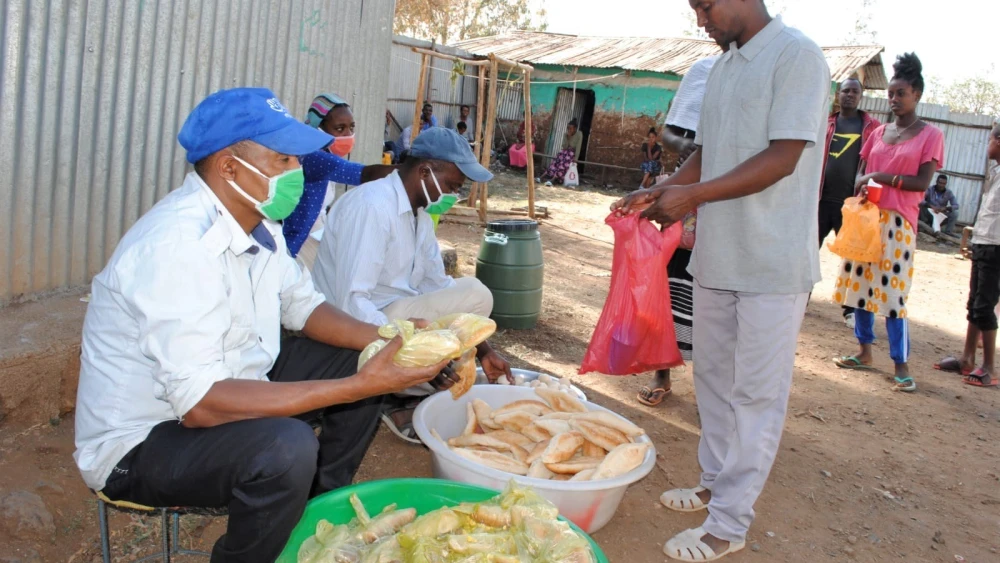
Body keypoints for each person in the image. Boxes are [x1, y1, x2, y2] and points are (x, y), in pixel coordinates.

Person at [72, 88, 455, 563]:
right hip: (143, 440)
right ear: (229, 167)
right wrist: (355, 386)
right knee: (284, 448)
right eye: (281, 160)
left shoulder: (258, 222)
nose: (296, 172)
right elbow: (202, 405)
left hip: (229, 383)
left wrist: (391, 340)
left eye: (295, 159)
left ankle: (311, 509)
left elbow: (304, 307)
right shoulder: (175, 247)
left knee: (362, 356)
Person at [614, 2, 830, 559]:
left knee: (756, 396)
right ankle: (713, 483)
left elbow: (783, 157)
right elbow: (708, 157)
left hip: (773, 264)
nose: (701, 18)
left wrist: (693, 198)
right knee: (712, 380)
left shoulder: (797, 56)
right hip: (719, 255)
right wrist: (662, 189)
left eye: (705, 4)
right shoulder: (723, 67)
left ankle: (728, 525)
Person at [312, 127, 513, 441]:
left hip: (396, 314)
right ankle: (394, 394)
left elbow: (436, 285)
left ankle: (411, 388)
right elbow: (351, 302)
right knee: (470, 300)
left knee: (475, 298)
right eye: (452, 185)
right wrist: (420, 349)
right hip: (355, 326)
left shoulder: (418, 214)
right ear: (425, 171)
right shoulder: (373, 206)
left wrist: (484, 347)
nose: (454, 196)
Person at [833, 53, 945, 393]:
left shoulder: (930, 135)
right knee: (860, 287)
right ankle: (864, 351)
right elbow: (861, 172)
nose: (894, 99)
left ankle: (901, 364)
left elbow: (922, 183)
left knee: (893, 294)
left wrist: (880, 176)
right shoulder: (879, 132)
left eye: (901, 93)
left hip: (898, 223)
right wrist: (864, 185)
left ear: (917, 95)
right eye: (891, 94)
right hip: (867, 217)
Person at [636, 47, 726, 409]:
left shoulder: (758, 74)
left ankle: (713, 393)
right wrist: (689, 145)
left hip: (725, 198)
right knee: (670, 290)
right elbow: (671, 131)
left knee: (714, 304)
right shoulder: (702, 70)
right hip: (684, 193)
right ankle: (662, 373)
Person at [283, 93, 395, 257]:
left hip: (314, 230)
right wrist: (408, 171)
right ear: (318, 127)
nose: (348, 134)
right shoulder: (313, 156)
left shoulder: (325, 153)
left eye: (351, 127)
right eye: (340, 128)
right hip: (300, 238)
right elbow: (360, 173)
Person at [936, 124, 1000, 387]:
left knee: (985, 306)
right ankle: (967, 359)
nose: (987, 145)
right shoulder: (995, 172)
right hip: (983, 242)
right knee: (974, 303)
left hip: (997, 246)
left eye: (990, 139)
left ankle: (989, 368)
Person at [820, 78, 882, 329]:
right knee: (808, 251)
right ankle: (801, 301)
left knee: (853, 258)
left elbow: (876, 162)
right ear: (838, 95)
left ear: (861, 96)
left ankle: (850, 310)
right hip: (821, 200)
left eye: (854, 91)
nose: (849, 95)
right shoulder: (826, 124)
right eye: (845, 90)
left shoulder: (871, 128)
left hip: (851, 205)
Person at [540, 119, 583, 185]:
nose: (569, 130)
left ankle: (553, 180)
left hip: (571, 154)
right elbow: (565, 147)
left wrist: (576, 158)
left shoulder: (579, 134)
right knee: (555, 162)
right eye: (568, 128)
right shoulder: (565, 134)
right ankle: (541, 177)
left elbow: (578, 147)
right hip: (564, 152)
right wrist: (568, 137)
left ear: (575, 128)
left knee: (562, 165)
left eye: (571, 128)